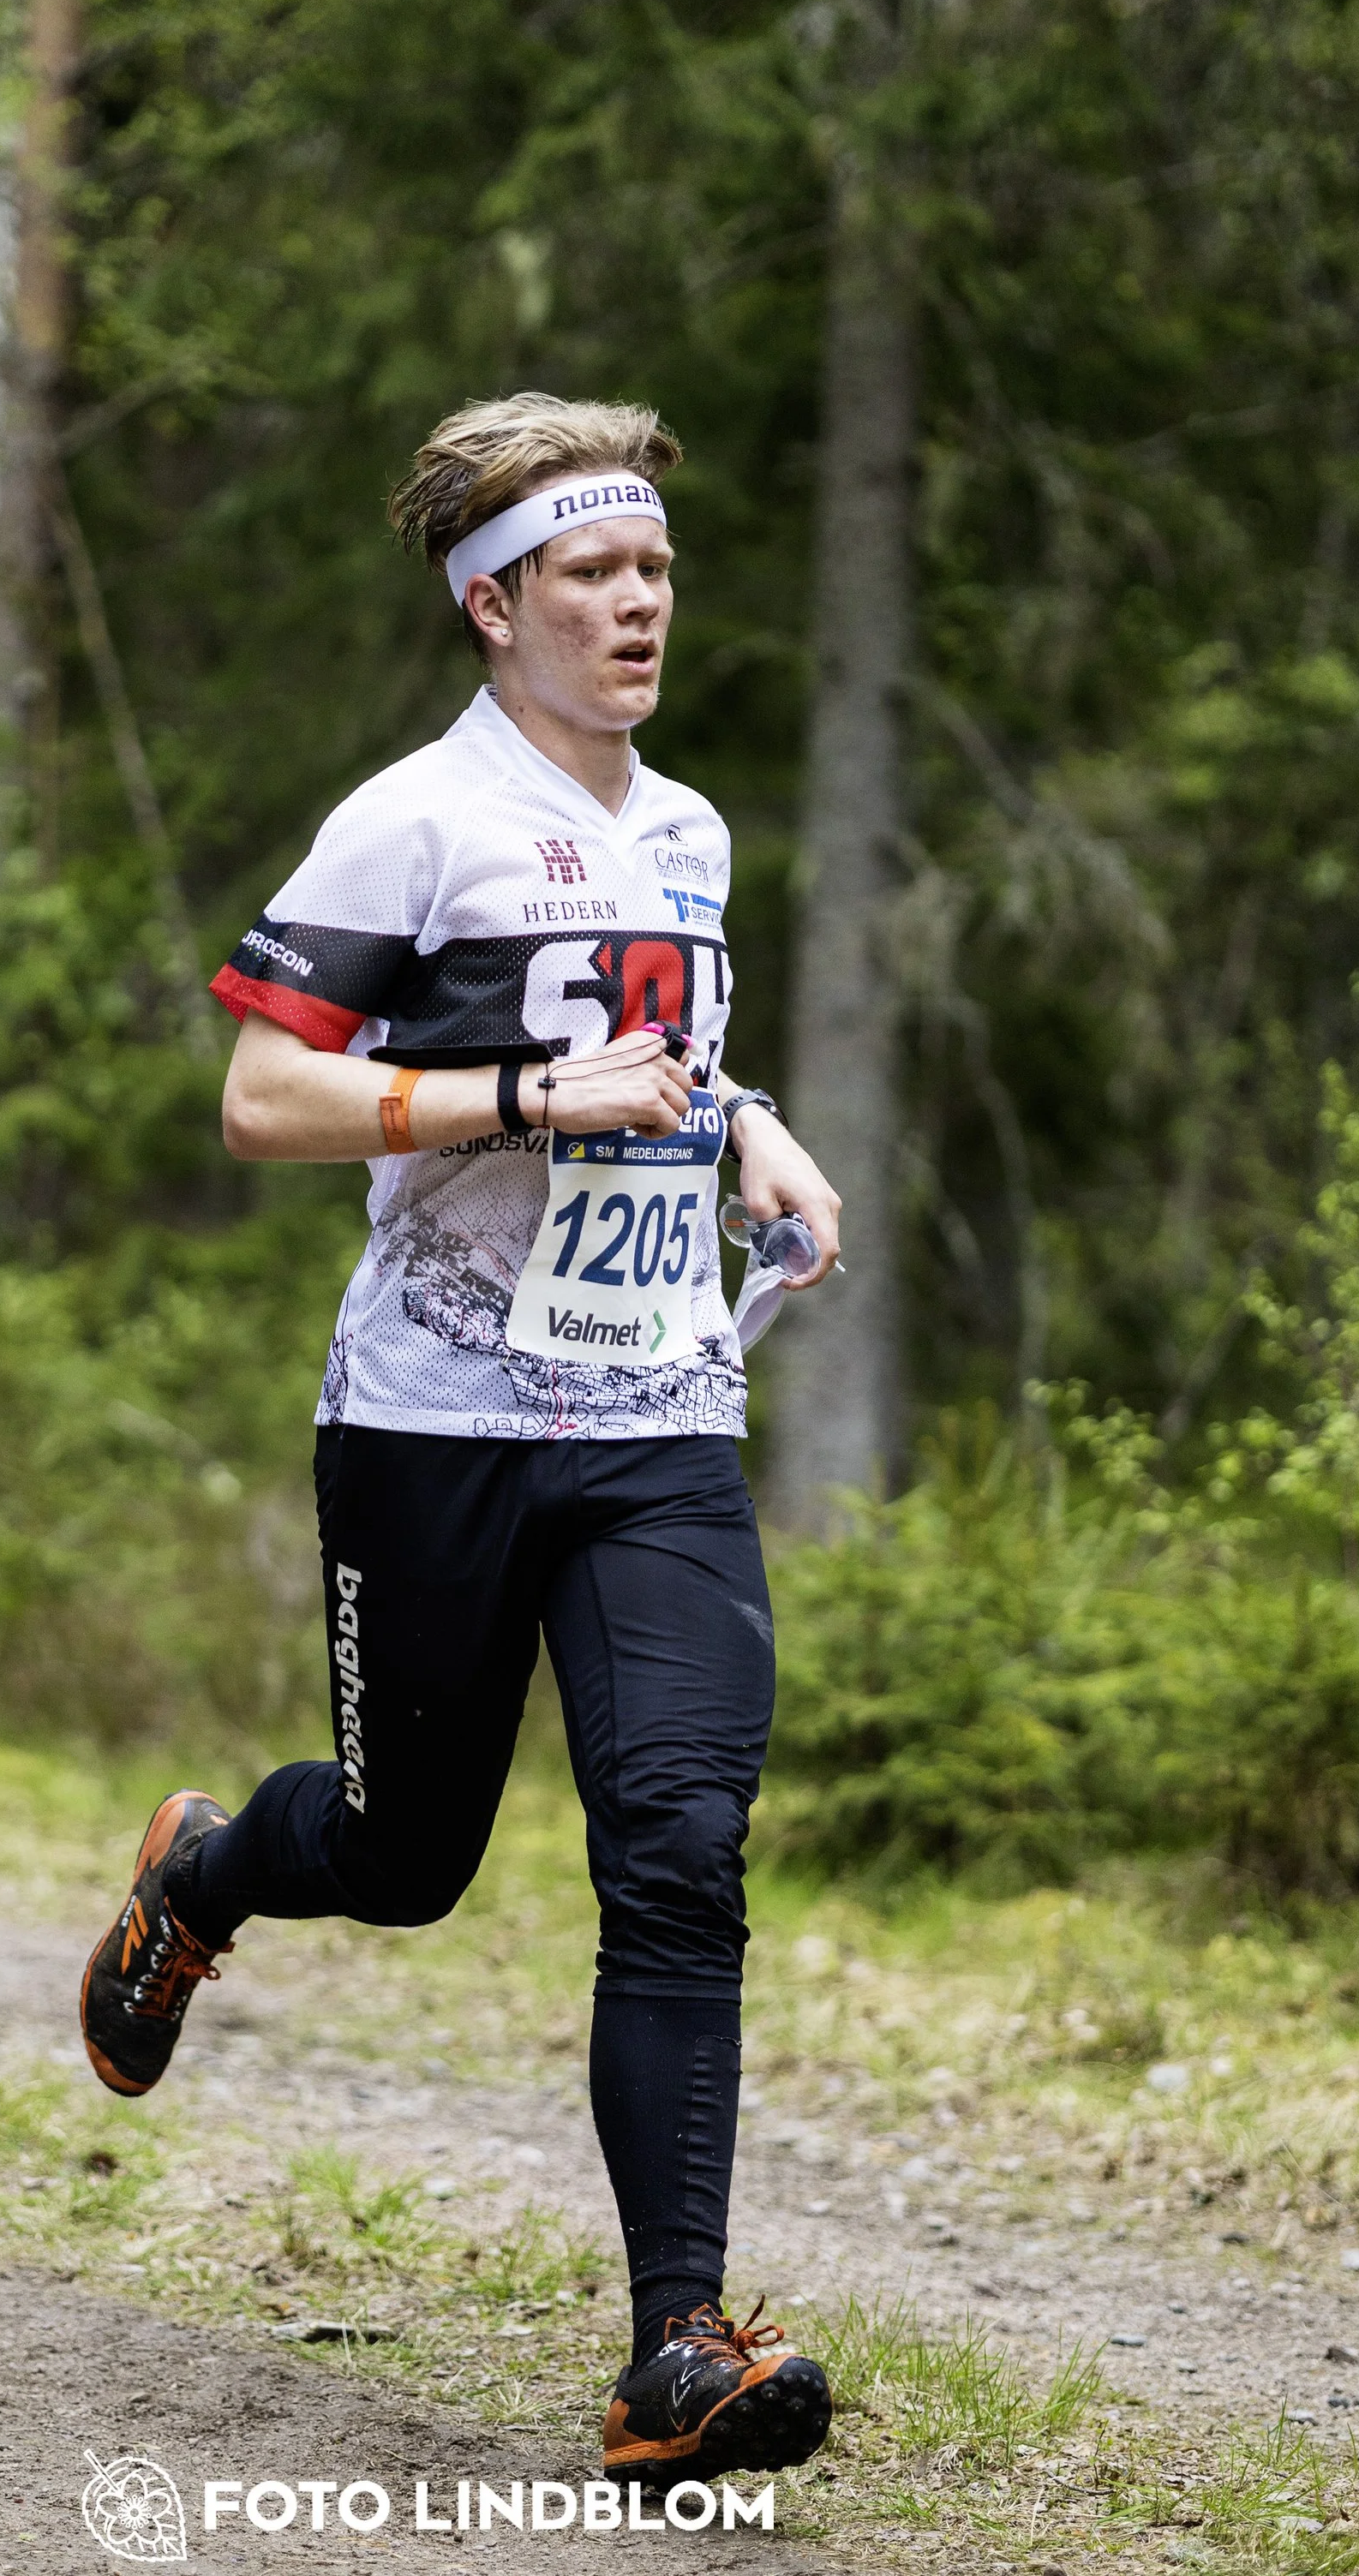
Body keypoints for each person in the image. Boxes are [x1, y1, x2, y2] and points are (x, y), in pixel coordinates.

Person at [81, 392, 844, 2487]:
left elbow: (663, 1045)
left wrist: (753, 1127)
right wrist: (515, 1104)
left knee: (678, 1840)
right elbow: (260, 1100)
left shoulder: (681, 828)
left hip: (656, 1412)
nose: (637, 604)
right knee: (408, 1858)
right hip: (430, 1419)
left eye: (656, 572)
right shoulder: (404, 822)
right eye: (595, 574)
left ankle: (671, 2346)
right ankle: (210, 1868)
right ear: (493, 603)